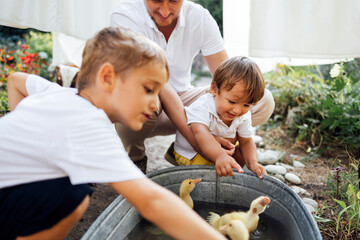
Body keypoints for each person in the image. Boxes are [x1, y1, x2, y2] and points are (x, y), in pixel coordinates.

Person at [0, 27, 226, 240]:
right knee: (71, 198)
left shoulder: (57, 94)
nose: (154, 103)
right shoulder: (90, 124)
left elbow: (16, 80)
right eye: (148, 89)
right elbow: (152, 201)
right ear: (107, 78)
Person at [110, 0, 275, 173]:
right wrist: (197, 142)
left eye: (174, 1)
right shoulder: (125, 18)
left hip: (184, 99)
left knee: (262, 100)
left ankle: (196, 150)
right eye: (157, 0)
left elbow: (227, 78)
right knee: (138, 98)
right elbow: (160, 84)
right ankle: (135, 158)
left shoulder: (199, 17)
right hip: (147, 103)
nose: (165, 11)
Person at [174, 56, 267, 178]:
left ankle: (229, 173)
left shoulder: (243, 114)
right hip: (192, 153)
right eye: (232, 102)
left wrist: (253, 163)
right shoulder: (203, 106)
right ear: (214, 89)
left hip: (220, 151)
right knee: (208, 177)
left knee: (241, 152)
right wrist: (219, 156)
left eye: (246, 104)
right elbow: (200, 134)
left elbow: (247, 140)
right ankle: (218, 175)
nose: (237, 110)